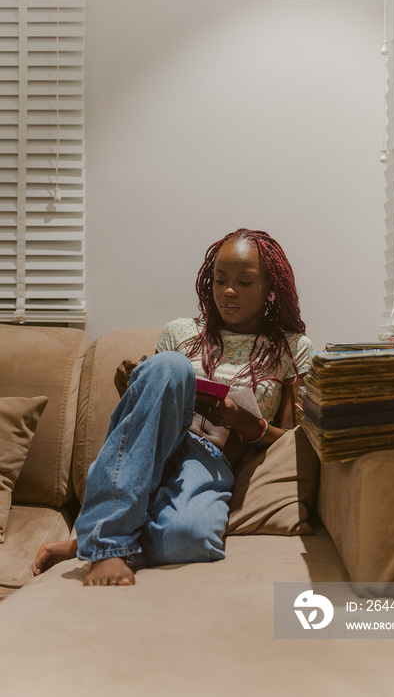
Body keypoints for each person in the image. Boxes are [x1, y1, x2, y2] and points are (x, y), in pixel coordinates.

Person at [32, 228, 313, 586]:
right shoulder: (180, 331)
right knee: (170, 366)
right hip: (158, 439)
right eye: (220, 279)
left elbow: (290, 440)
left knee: (189, 538)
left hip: (210, 457)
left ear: (271, 289)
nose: (228, 291)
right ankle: (106, 547)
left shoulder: (292, 348)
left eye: (245, 282)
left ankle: (82, 544)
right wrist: (131, 387)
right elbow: (145, 418)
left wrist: (242, 420)